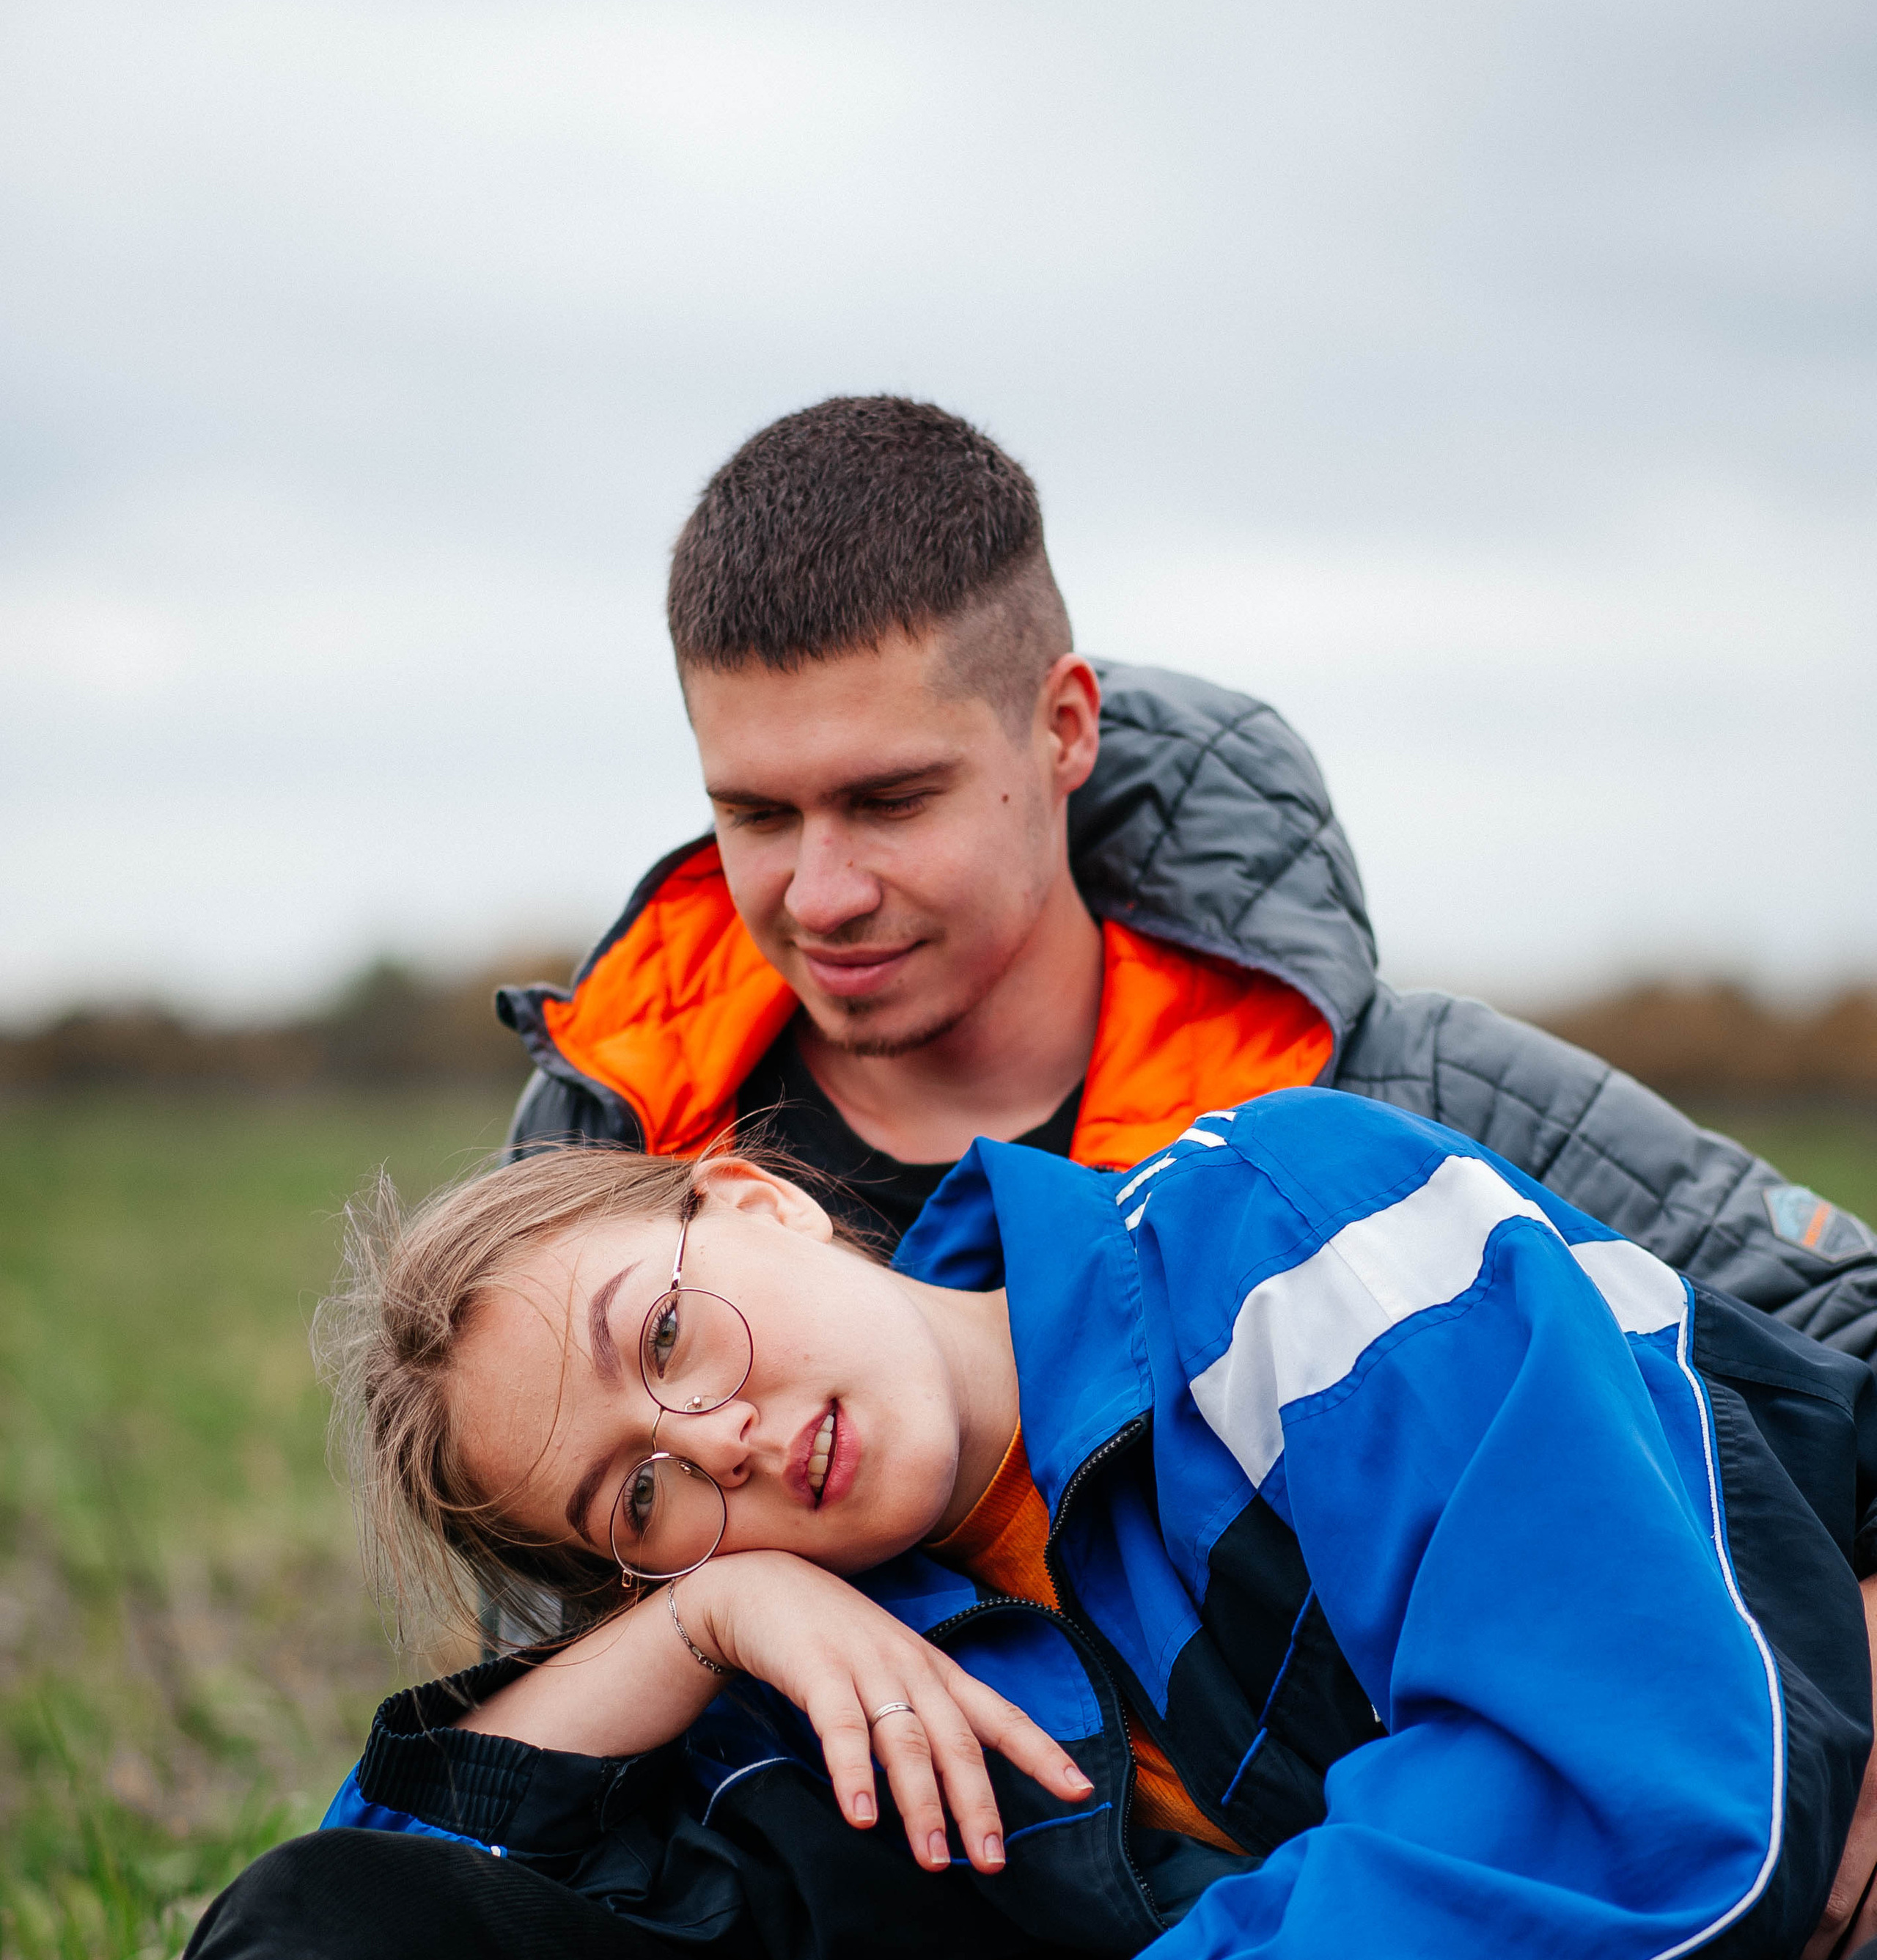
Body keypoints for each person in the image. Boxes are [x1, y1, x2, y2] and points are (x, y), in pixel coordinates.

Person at [20, 1089, 1877, 1960]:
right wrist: (710, 1623)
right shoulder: (804, 1645)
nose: (718, 1443)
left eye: (663, 1340)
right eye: (639, 1501)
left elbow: (1644, 1778)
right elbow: (386, 1942)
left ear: (749, 1198)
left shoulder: (1277, 1231)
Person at [498, 392, 1876, 1359]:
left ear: (1064, 728)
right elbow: (510, 1637)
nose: (821, 892)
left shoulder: (1394, 1097)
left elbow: (1841, 1319)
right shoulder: (606, 1152)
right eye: (758, 816)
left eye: (890, 801)